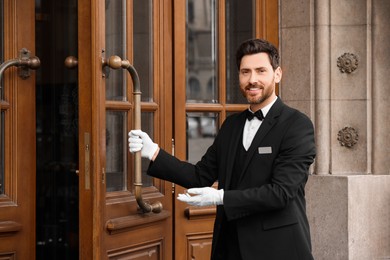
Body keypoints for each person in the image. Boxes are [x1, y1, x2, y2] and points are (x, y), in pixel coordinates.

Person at [128, 38, 316, 260]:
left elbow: (281, 193)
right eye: (245, 72)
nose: (252, 79)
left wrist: (221, 197)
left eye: (260, 71)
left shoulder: (297, 124)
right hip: (229, 247)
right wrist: (155, 152)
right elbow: (200, 176)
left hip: (278, 248)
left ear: (277, 74)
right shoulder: (231, 125)